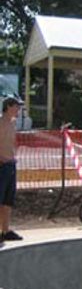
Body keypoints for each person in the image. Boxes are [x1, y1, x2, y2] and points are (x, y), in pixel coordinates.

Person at [0, 96, 23, 242]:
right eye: (16, 106)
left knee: (8, 200)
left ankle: (5, 230)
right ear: (9, 106)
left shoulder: (13, 123)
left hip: (11, 164)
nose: (19, 109)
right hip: (1, 165)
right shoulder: (0, 123)